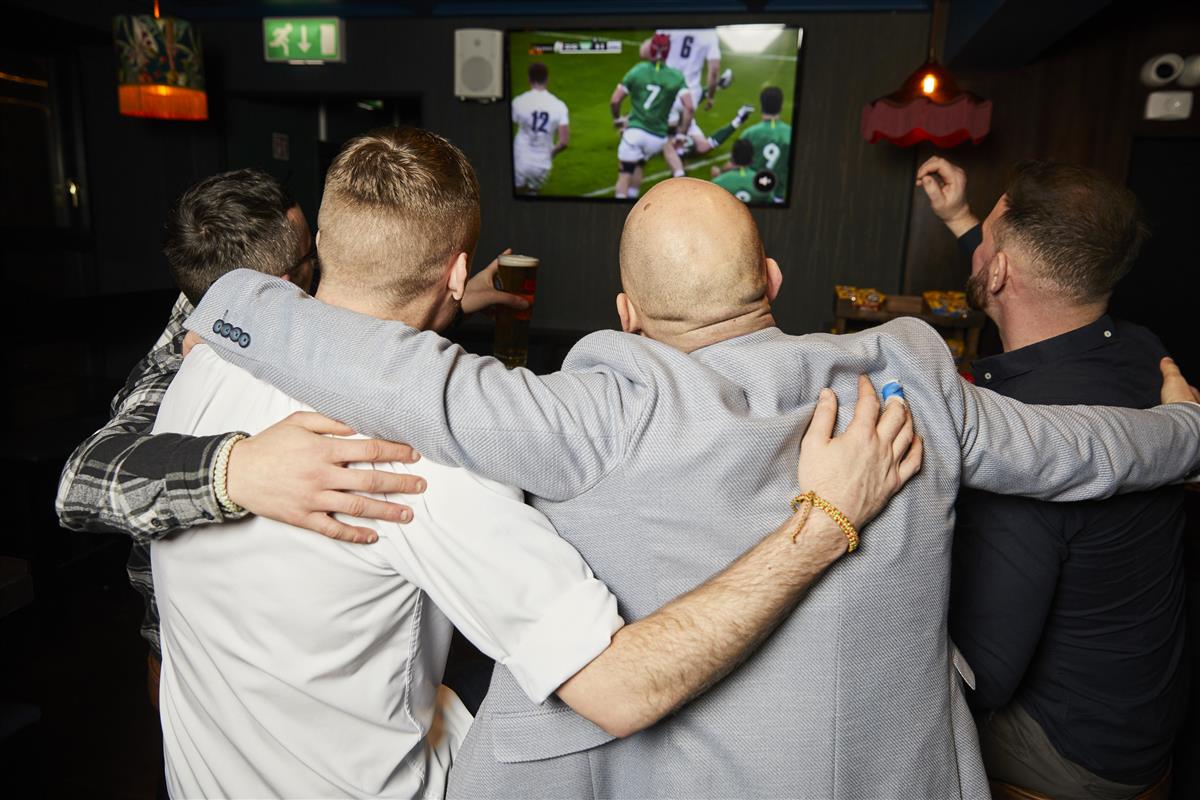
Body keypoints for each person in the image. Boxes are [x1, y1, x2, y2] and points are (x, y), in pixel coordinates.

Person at [187, 174, 1200, 798]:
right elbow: (1088, 452)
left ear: (626, 313)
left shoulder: (588, 415)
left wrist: (231, 293)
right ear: (771, 279)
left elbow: (408, 379)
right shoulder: (914, 380)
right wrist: (1185, 427)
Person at [151, 127, 920, 798]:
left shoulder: (207, 356)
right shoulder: (419, 465)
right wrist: (825, 520)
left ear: (321, 245)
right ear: (457, 275)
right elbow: (622, 691)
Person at [53, 169, 437, 705]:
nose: (323, 269)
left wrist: (446, 294)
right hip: (185, 657)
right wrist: (236, 469)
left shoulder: (248, 308)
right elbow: (79, 484)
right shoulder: (184, 347)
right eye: (312, 258)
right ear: (276, 284)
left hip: (293, 653)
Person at [919, 155, 1186, 798]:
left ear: (1001, 268)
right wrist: (963, 220)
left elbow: (982, 675)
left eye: (986, 237)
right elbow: (1031, 303)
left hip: (1072, 751)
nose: (978, 244)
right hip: (1143, 719)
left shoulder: (1028, 442)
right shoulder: (1144, 351)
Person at [610, 34, 690, 199]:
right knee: (640, 162)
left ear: (651, 50)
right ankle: (678, 176)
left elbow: (615, 100)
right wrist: (682, 133)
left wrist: (618, 119)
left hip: (635, 133)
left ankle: (621, 206)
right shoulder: (676, 76)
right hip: (658, 138)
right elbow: (689, 106)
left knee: (624, 174)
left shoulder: (638, 70)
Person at [655, 26, 752, 159]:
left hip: (667, 89)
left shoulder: (670, 24)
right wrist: (712, 94)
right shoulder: (709, 33)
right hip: (686, 92)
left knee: (672, 128)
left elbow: (653, 51)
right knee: (692, 142)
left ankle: (736, 112)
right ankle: (738, 117)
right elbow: (714, 69)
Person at [719, 86, 792, 203]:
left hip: (755, 193)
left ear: (761, 106)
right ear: (781, 106)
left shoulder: (749, 133)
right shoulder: (790, 133)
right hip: (779, 196)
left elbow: (736, 164)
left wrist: (720, 173)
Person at [511, 62, 569, 195]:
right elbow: (564, 142)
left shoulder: (519, 102)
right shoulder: (559, 105)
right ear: (547, 79)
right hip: (542, 163)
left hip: (520, 158)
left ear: (528, 79)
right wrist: (551, 153)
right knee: (532, 195)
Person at [711, 138, 773, 204]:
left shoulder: (718, 182)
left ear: (732, 158)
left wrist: (716, 178)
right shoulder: (764, 184)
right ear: (752, 159)